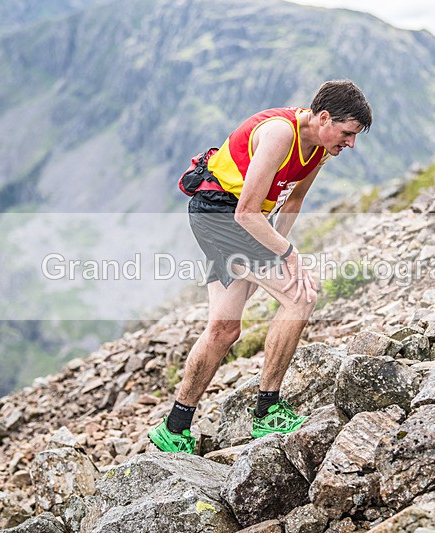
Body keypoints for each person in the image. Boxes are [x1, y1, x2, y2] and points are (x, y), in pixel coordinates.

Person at [149, 80, 372, 453]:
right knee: (301, 297)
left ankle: (174, 428)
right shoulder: (279, 134)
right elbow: (246, 211)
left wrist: (275, 251)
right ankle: (267, 412)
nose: (351, 144)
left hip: (237, 223)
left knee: (223, 329)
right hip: (219, 214)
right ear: (323, 117)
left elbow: (293, 201)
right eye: (348, 133)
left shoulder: (320, 148)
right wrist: (287, 257)